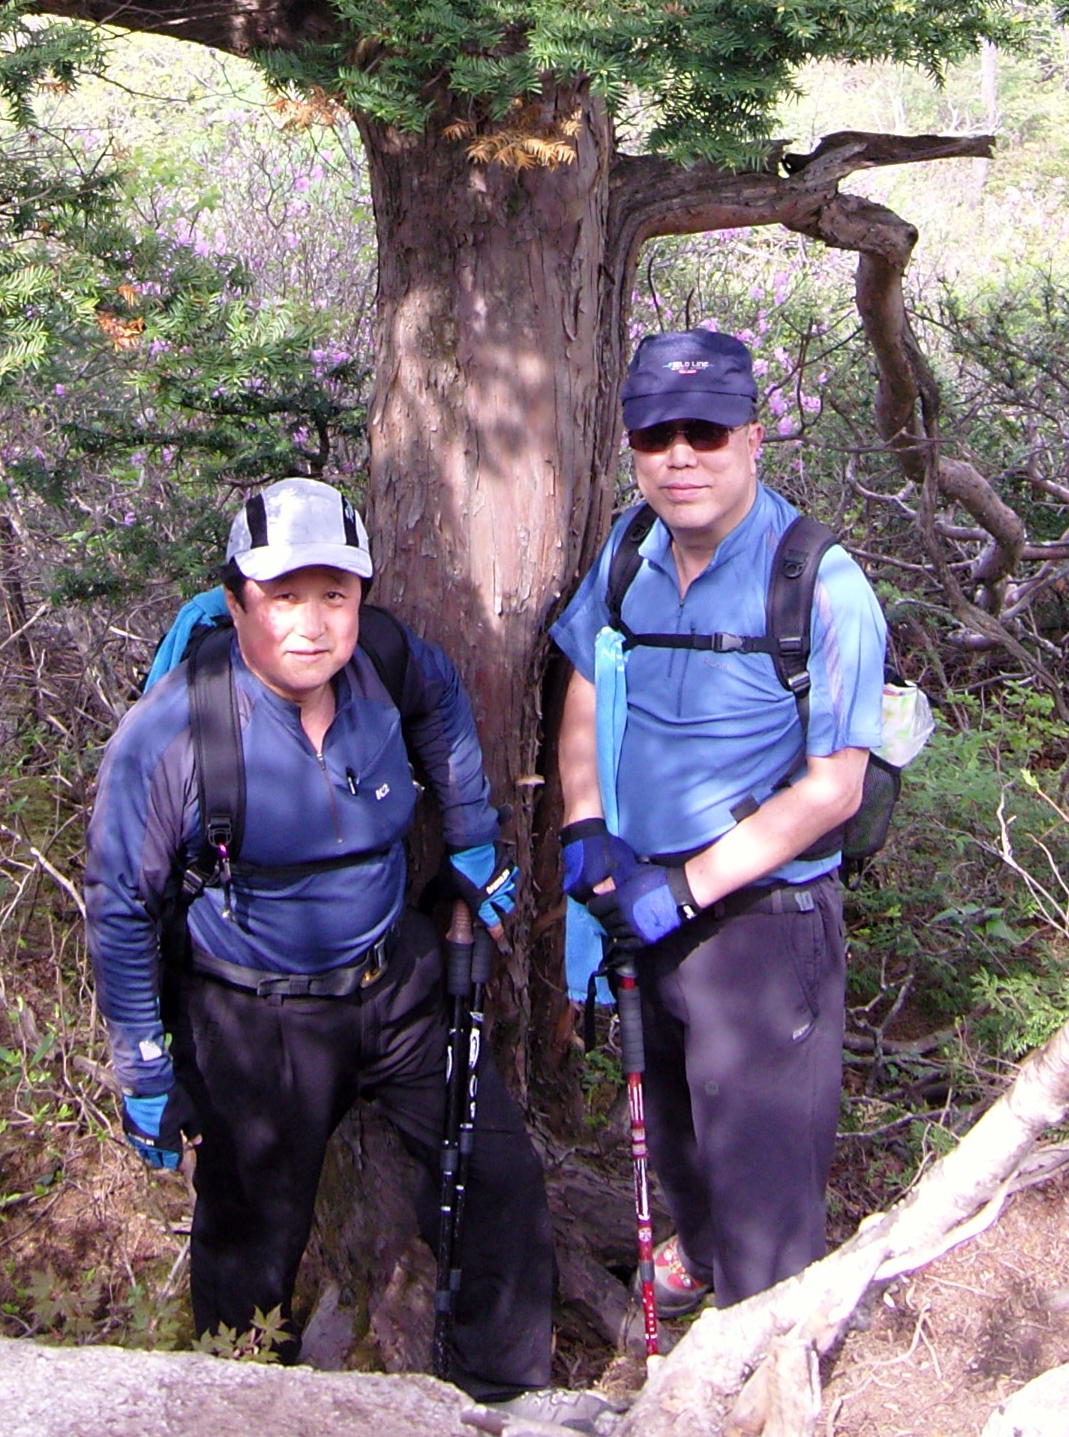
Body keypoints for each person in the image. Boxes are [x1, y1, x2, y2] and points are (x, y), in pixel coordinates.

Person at [85, 476, 554, 1397]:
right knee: (248, 1251)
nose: (311, 623)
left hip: (398, 983)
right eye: (283, 597)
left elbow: (445, 706)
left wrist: (470, 836)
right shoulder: (174, 730)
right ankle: (247, 1403)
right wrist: (145, 1067)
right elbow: (120, 906)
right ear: (236, 603)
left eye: (333, 595)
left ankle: (506, 1397)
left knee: (498, 1175)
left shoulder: (385, 662)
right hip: (256, 1016)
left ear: (361, 599)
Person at [551, 328, 886, 1312]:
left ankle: (770, 1367)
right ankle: (687, 1346)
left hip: (763, 929)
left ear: (753, 436)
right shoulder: (627, 552)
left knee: (765, 1198)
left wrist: (687, 887)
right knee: (681, 1156)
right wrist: (584, 826)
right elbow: (583, 673)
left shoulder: (820, 585)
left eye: (706, 431)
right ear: (634, 446)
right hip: (638, 907)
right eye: (658, 436)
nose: (681, 456)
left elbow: (836, 786)